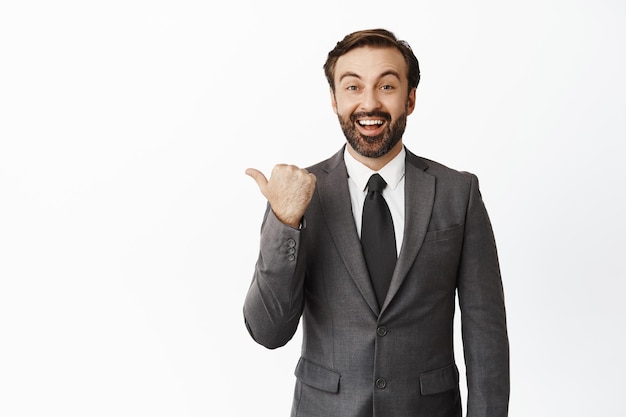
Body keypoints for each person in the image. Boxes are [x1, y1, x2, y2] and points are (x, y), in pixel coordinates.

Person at [243, 28, 509, 417]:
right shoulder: (297, 195)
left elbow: (486, 336)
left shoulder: (458, 193)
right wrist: (285, 221)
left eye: (386, 86)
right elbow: (267, 332)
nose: (369, 103)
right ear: (334, 100)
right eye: (353, 88)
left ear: (410, 98)